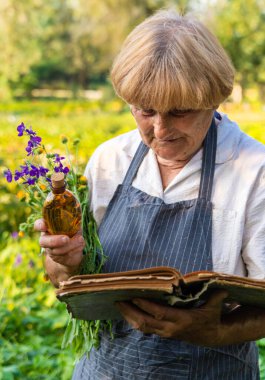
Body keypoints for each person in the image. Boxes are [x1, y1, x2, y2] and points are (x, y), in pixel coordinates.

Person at [35, 9, 265, 380]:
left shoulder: (253, 172)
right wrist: (65, 261)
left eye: (179, 112)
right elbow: (65, 281)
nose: (160, 130)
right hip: (105, 370)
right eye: (145, 111)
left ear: (214, 99)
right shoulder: (111, 160)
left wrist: (215, 332)